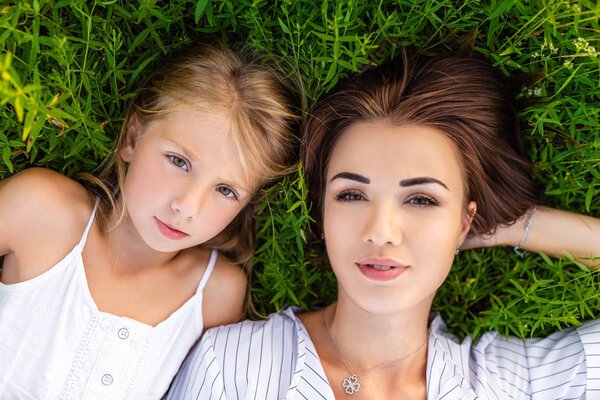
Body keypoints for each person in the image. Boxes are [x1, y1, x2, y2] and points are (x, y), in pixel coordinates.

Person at [166, 52, 600, 399]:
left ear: (464, 220)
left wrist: (504, 226)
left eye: (423, 200)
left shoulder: (507, 386)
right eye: (351, 195)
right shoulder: (232, 367)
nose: (381, 230)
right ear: (321, 212)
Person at [0, 43, 300, 399]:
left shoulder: (213, 294)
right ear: (132, 137)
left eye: (226, 190)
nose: (188, 207)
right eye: (178, 161)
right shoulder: (43, 210)